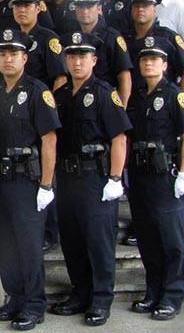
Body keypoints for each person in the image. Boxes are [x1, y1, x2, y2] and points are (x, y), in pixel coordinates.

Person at [48, 32, 131, 327]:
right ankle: (80, 293)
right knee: (71, 241)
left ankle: (101, 299)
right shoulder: (59, 96)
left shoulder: (105, 93)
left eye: (83, 56)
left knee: (98, 242)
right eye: (72, 56)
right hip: (66, 180)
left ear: (94, 60)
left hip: (96, 178)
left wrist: (115, 178)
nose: (77, 61)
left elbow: (119, 139)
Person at [0, 29, 60, 331]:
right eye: (2, 54)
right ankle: (14, 299)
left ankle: (33, 304)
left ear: (24, 58)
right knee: (5, 244)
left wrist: (46, 184)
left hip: (27, 182)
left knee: (28, 246)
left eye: (13, 53)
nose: (7, 59)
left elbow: (49, 141)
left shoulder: (38, 90)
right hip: (0, 180)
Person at [126, 36, 184, 321]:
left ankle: (173, 295)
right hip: (141, 176)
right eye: (144, 60)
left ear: (165, 65)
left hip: (165, 176)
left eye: (154, 59)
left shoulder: (174, 94)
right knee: (147, 238)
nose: (148, 64)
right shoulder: (137, 96)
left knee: (170, 240)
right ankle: (153, 291)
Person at [68, 0, 133, 105]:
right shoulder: (71, 37)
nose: (85, 11)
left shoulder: (112, 37)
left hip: (105, 101)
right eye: (80, 7)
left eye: (89, 6)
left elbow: (125, 76)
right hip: (77, 102)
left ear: (99, 8)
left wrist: (121, 108)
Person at [124, 0, 184, 96]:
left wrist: (182, 105)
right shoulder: (123, 38)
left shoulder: (169, 37)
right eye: (137, 6)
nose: (140, 10)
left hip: (163, 101)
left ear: (154, 10)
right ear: (131, 10)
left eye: (145, 6)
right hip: (134, 103)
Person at [9, 0, 68, 91]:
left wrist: (51, 104)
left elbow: (60, 79)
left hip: (40, 100)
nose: (21, 10)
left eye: (27, 6)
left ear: (38, 9)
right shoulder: (11, 38)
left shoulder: (48, 38)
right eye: (17, 6)